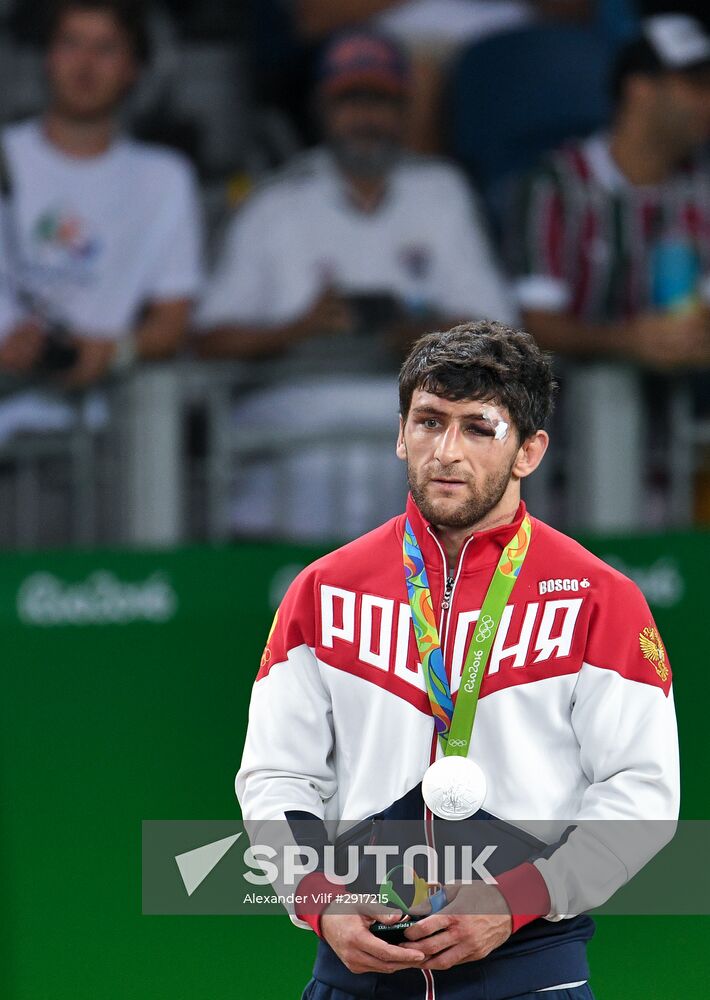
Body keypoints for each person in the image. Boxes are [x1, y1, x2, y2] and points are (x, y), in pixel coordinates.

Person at [236, 321, 679, 1000]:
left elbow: (643, 794)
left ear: (529, 451)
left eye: (479, 427)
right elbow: (275, 777)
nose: (446, 451)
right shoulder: (322, 591)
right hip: (356, 975)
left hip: (533, 977)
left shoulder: (599, 598)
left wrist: (517, 899)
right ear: (399, 433)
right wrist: (321, 898)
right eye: (428, 421)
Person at [196, 29, 515, 541]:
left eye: (382, 101)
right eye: (350, 100)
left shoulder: (442, 193)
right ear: (321, 108)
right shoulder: (276, 203)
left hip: (417, 428)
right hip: (295, 431)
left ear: (405, 110)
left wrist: (422, 334)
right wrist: (299, 329)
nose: (366, 118)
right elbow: (207, 341)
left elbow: (503, 331)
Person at [0, 0, 203, 412]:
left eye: (106, 48)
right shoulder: (7, 153)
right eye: (71, 43)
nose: (85, 64)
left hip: (106, 433)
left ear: (135, 68)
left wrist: (110, 351)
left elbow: (173, 320)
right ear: (47, 57)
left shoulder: (164, 178)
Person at [506, 12, 710, 368]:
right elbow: (537, 325)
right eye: (697, 85)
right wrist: (628, 341)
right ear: (640, 88)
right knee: (608, 393)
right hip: (575, 392)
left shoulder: (702, 187)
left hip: (692, 383)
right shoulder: (556, 185)